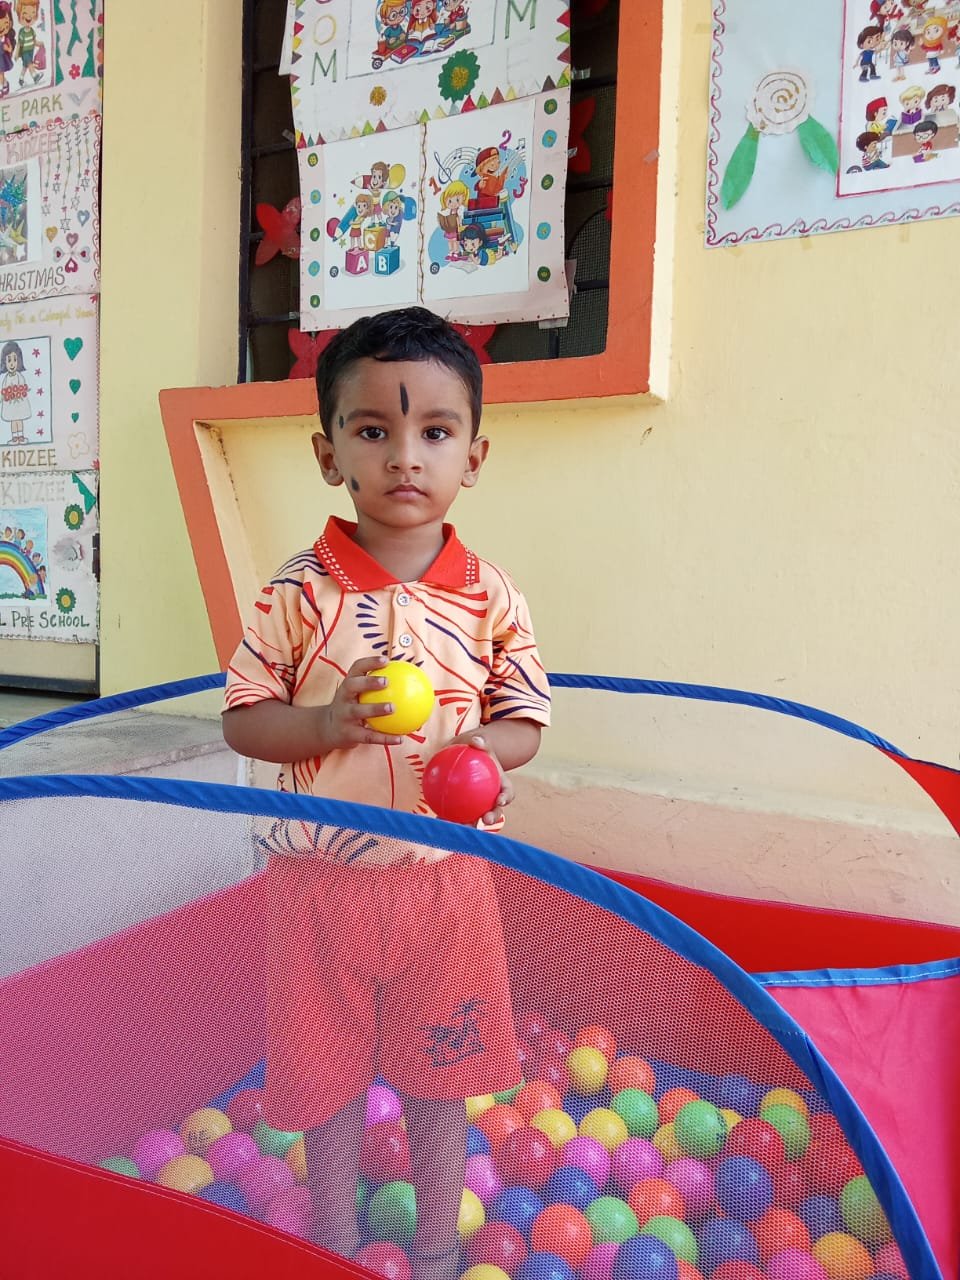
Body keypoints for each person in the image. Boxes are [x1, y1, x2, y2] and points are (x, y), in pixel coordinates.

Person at [222, 307, 551, 1279]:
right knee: (322, 1081)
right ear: (329, 454)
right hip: (316, 888)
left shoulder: (491, 595)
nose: (406, 455)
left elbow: (527, 721)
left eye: (435, 431)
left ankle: (438, 1246)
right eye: (374, 429)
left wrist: (480, 751)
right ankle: (331, 1239)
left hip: (446, 882)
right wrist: (326, 724)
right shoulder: (297, 592)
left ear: (474, 456)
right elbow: (244, 718)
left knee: (441, 1079)